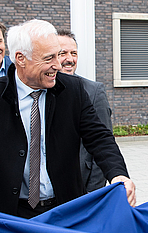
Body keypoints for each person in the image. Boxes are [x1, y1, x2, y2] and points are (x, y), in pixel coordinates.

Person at [0, 19, 136, 219]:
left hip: (64, 209)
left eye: (58, 55)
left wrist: (118, 175)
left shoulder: (73, 91)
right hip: (9, 214)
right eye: (49, 58)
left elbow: (99, 138)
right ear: (21, 58)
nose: (58, 66)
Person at [57, 28, 109, 192]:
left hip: (83, 185)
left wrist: (91, 194)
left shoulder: (94, 91)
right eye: (63, 53)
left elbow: (103, 144)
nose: (70, 59)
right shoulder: (40, 92)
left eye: (74, 53)